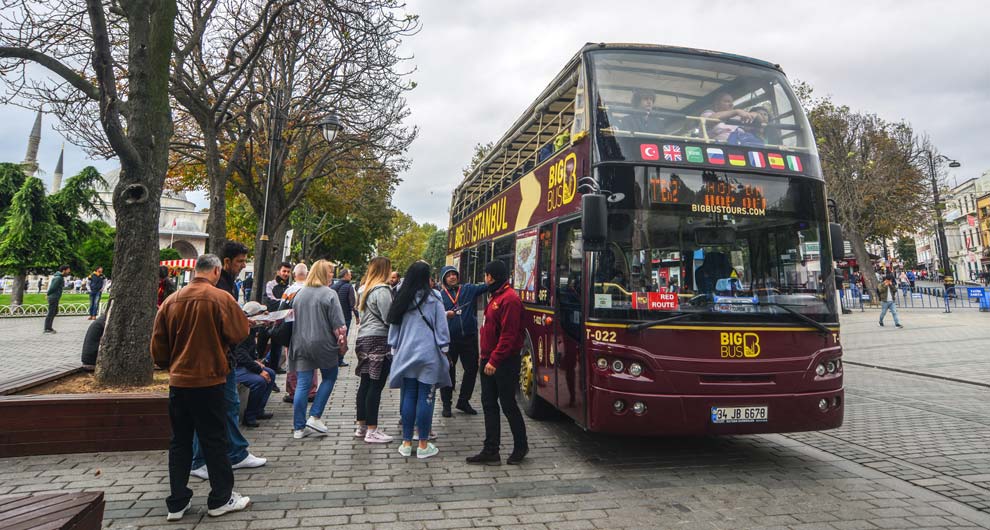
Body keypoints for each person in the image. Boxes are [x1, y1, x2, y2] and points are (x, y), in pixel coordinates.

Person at [150, 254, 252, 520]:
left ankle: (177, 502)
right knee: (214, 440)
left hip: (179, 381)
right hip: (210, 379)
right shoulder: (221, 298)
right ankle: (220, 497)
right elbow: (240, 332)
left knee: (180, 441)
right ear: (217, 271)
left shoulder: (172, 301)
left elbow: (158, 350)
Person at [189, 241, 266, 481]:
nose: (243, 266)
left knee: (229, 405)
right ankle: (200, 459)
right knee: (210, 409)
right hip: (214, 358)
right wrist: (241, 325)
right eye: (240, 261)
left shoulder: (227, 286)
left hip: (223, 357)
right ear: (224, 264)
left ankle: (235, 452)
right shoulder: (218, 289)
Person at [386, 261, 450, 459]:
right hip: (429, 355)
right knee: (426, 397)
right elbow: (442, 329)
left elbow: (393, 328)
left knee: (408, 396)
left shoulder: (401, 298)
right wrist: (444, 348)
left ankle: (406, 443)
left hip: (406, 353)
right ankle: (423, 444)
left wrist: (394, 347)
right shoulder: (435, 298)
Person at [467, 260, 528, 466]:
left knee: (508, 404)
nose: (484, 279)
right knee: (489, 405)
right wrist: (484, 356)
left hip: (503, 362)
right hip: (489, 359)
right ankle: (491, 450)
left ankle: (521, 446)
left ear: (491, 277)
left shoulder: (509, 299)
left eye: (486, 275)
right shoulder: (496, 296)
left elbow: (509, 336)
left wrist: (493, 359)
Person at [288, 259, 347, 440]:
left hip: (300, 342)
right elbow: (338, 324)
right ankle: (315, 415)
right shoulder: (329, 294)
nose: (332, 275)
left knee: (303, 384)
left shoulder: (299, 294)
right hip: (323, 343)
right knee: (329, 376)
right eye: (330, 272)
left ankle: (298, 428)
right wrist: (342, 343)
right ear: (322, 273)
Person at [354, 256, 395, 443]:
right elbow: (389, 317)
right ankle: (372, 429)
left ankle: (361, 426)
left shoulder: (366, 290)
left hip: (363, 338)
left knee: (365, 383)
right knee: (376, 385)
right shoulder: (383, 291)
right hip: (379, 338)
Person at [438, 266, 487, 418]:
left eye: (454, 274)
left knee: (472, 369)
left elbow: (487, 286)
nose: (452, 277)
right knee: (448, 372)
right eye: (449, 275)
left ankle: (463, 401)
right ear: (444, 279)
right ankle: (447, 404)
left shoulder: (468, 290)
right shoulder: (439, 296)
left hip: (469, 338)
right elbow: (435, 316)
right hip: (449, 340)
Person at [234, 301, 276, 428]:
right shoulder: (243, 330)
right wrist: (258, 369)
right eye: (260, 314)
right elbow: (240, 355)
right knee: (259, 381)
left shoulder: (251, 329)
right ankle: (250, 416)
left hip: (244, 364)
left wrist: (256, 361)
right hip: (236, 367)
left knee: (271, 374)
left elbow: (250, 353)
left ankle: (258, 410)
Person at [331, 268, 358, 367]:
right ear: (345, 275)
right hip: (345, 316)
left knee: (334, 337)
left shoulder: (333, 286)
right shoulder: (349, 286)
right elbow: (352, 303)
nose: (351, 276)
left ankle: (333, 358)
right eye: (350, 274)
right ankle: (340, 360)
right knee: (343, 338)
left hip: (333, 317)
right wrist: (357, 316)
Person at [43, 265, 70, 334]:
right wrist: (48, 294)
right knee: (51, 313)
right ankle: (47, 328)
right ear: (63, 270)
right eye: (68, 270)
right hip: (53, 297)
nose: (69, 272)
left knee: (54, 312)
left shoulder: (60, 277)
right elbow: (52, 287)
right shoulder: (58, 278)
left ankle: (49, 327)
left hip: (55, 297)